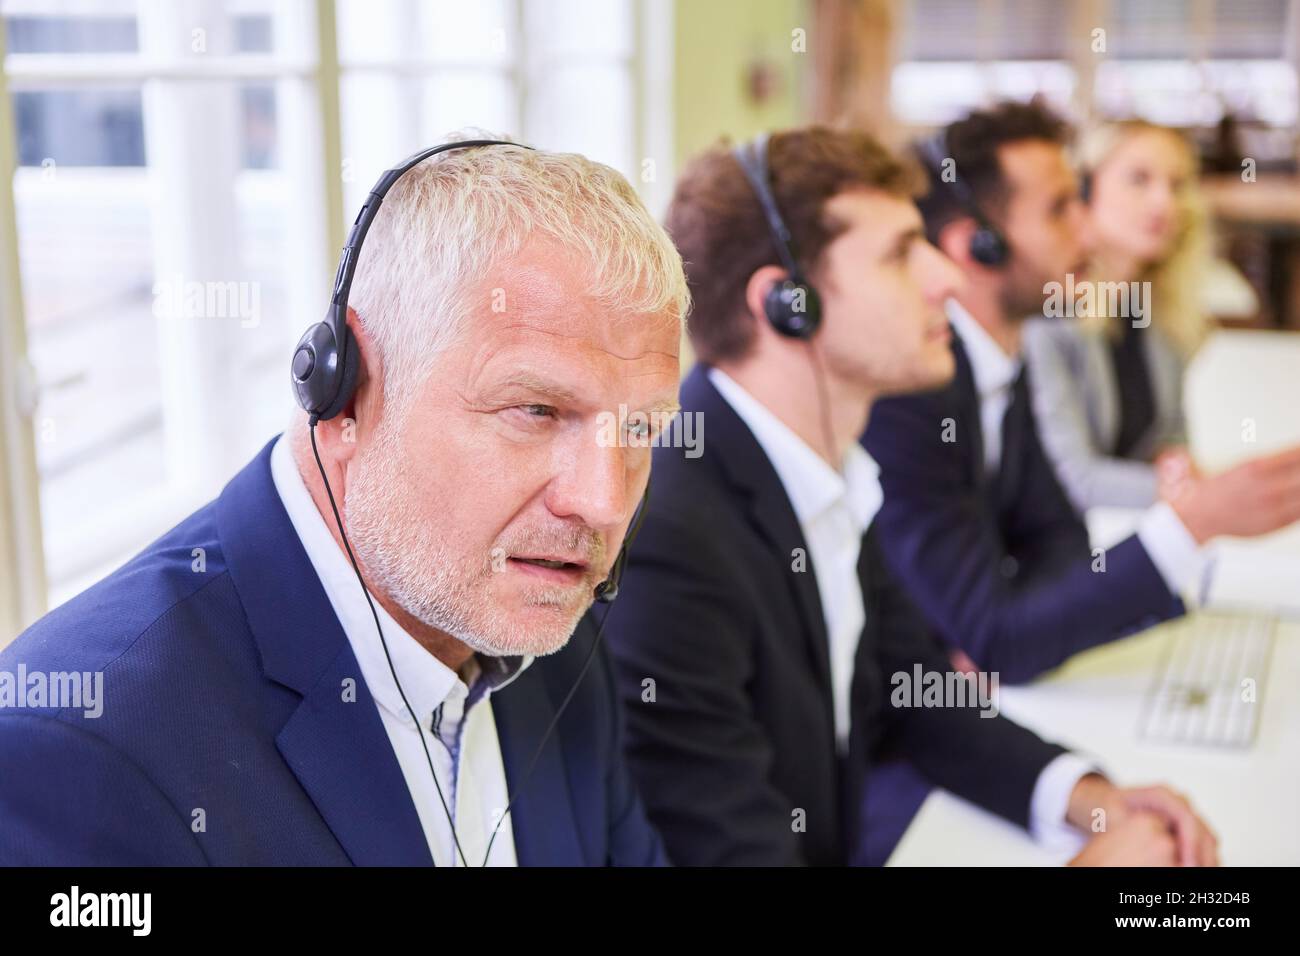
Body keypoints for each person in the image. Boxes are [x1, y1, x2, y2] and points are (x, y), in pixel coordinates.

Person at [0, 135, 687, 866]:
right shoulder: (80, 749)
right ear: (345, 392)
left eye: (640, 428)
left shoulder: (548, 636)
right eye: (537, 412)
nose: (604, 503)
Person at [600, 126, 1218, 867]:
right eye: (900, 254)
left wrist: (1083, 794)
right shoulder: (671, 537)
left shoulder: (823, 474)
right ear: (787, 305)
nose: (946, 276)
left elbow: (912, 691)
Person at [861, 101, 1300, 684]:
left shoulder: (1000, 365)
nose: (1086, 226)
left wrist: (1021, 628)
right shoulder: (909, 397)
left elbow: (1058, 537)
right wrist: (1191, 522)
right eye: (1061, 209)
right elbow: (995, 636)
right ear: (980, 246)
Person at [1023, 120, 1212, 511]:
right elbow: (1075, 479)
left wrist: (1176, 466)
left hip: (1123, 531)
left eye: (1176, 186)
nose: (1164, 202)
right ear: (1084, 191)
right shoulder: (1048, 312)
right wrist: (1199, 496)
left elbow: (1170, 435)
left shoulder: (1159, 309)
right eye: (1139, 179)